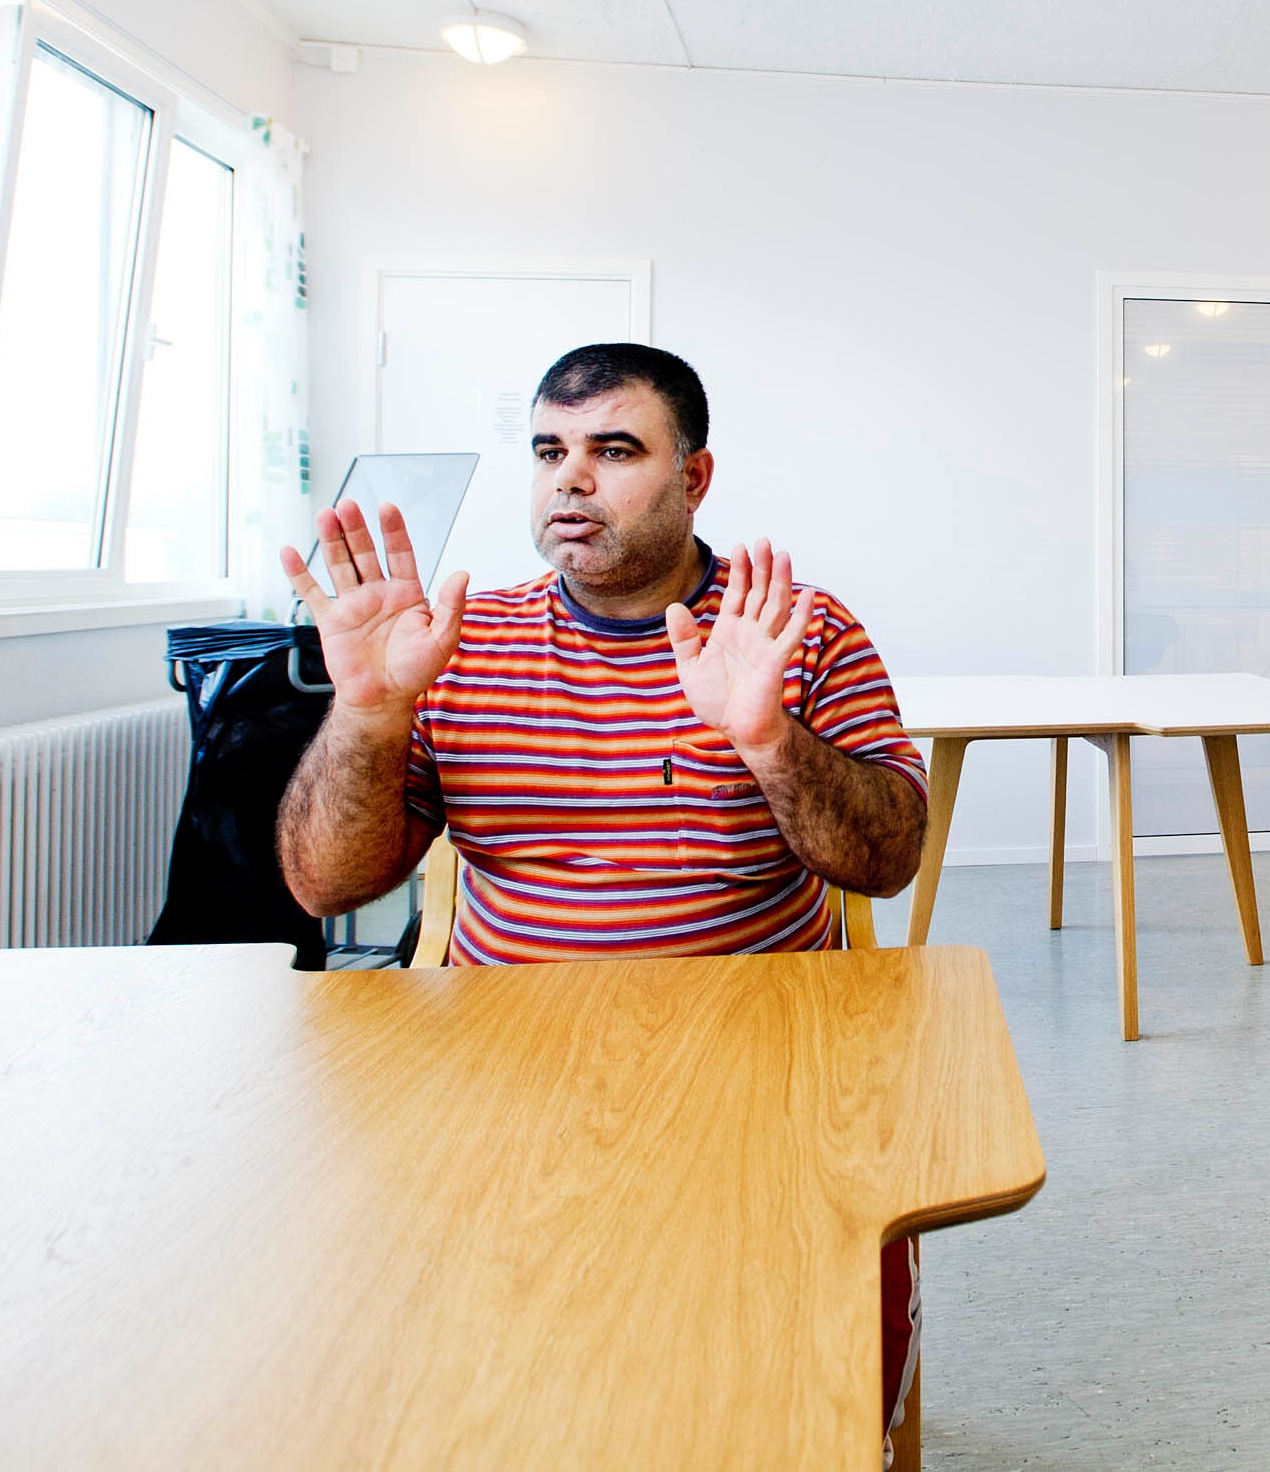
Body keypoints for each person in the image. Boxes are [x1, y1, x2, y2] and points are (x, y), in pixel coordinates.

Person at [274, 342, 932, 1462]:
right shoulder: (459, 643)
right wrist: (372, 715)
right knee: (440, 1340)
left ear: (695, 477)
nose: (570, 479)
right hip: (509, 1064)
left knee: (795, 1361)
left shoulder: (797, 630)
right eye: (549, 452)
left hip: (756, 1058)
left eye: (614, 450)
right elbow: (326, 884)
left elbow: (886, 860)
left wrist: (768, 738)